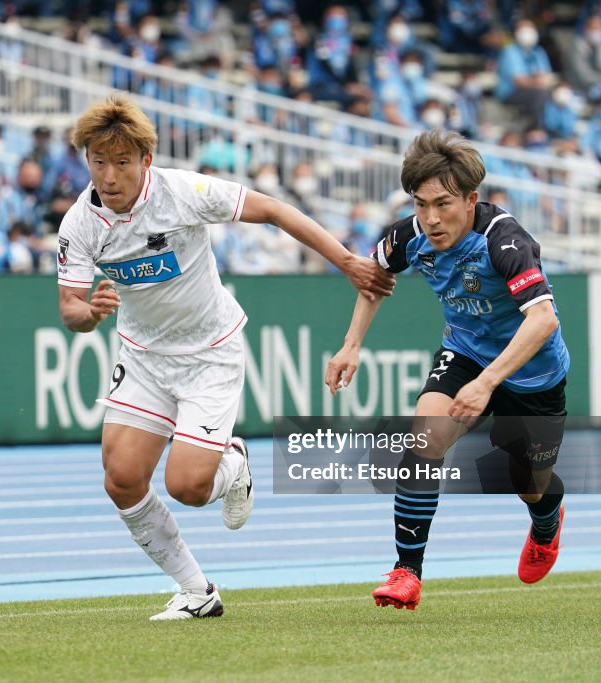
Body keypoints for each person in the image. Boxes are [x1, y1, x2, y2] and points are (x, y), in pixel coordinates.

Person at [57, 95, 393, 621]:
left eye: (122, 162)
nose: (110, 175)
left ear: (145, 160)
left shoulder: (182, 192)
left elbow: (275, 210)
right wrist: (90, 312)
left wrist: (347, 261)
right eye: (99, 161)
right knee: (121, 477)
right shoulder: (79, 224)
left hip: (210, 352)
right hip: (144, 356)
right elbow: (70, 311)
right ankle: (197, 591)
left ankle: (233, 463)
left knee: (188, 487)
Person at [325, 130, 570, 611]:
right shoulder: (408, 237)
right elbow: (375, 281)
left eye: (443, 204)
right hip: (464, 353)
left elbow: (543, 319)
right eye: (421, 205)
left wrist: (488, 383)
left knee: (530, 484)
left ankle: (547, 522)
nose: (431, 219)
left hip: (532, 371)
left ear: (471, 199)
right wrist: (350, 345)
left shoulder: (505, 239)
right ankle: (406, 572)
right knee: (424, 439)